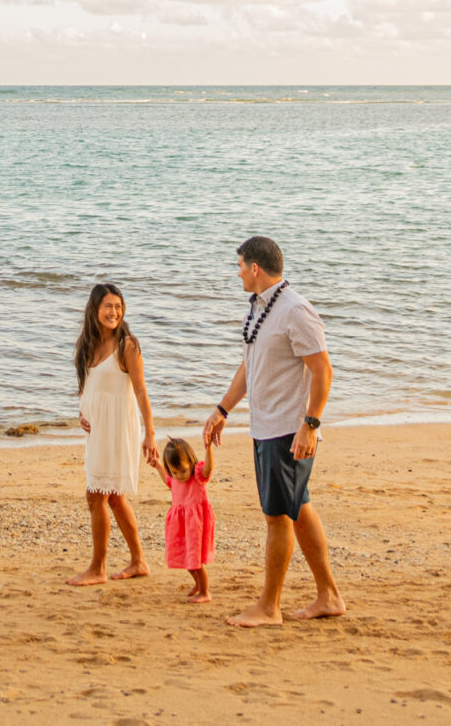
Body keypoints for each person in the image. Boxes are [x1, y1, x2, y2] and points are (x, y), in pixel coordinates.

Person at [200, 235, 346, 627]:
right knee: (297, 509)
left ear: (255, 268)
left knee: (278, 516)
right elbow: (250, 366)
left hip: (288, 429)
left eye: (240, 266)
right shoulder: (261, 309)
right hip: (265, 427)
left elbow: (323, 370)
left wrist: (310, 425)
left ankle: (270, 607)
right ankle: (329, 596)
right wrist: (222, 409)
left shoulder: (295, 310)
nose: (238, 273)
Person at [67, 281, 159, 586]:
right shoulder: (87, 343)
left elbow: (141, 390)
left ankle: (98, 568)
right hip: (97, 428)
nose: (114, 312)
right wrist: (83, 410)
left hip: (119, 426)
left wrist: (150, 434)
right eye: (108, 306)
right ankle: (139, 562)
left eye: (118, 306)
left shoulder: (127, 345)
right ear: (95, 309)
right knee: (115, 497)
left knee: (96, 496)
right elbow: (89, 384)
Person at [158, 433, 217, 602]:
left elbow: (208, 469)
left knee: (196, 561)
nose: (179, 475)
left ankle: (205, 592)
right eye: (174, 471)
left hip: (195, 525)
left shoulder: (197, 476)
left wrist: (209, 449)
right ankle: (198, 584)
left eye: (183, 470)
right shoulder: (175, 479)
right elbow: (167, 480)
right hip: (180, 526)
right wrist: (157, 466)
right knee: (186, 558)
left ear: (191, 463)